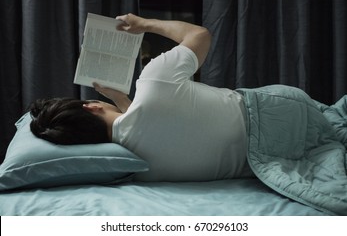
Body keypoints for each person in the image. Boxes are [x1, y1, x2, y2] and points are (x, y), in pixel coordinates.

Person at [30, 13, 252, 182]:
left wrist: (121, 100)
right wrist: (145, 24)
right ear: (91, 107)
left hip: (261, 167)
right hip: (268, 115)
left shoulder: (136, 167)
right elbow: (199, 35)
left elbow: (146, 128)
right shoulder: (154, 82)